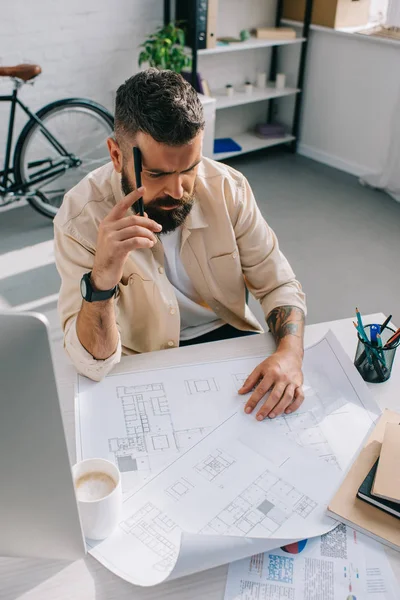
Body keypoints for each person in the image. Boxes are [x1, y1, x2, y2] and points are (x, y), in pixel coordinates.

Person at [54, 68, 306, 421]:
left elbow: (278, 283)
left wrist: (290, 352)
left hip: (227, 343)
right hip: (141, 362)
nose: (178, 190)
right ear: (116, 155)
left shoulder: (227, 188)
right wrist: (101, 280)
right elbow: (91, 363)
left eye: (189, 168)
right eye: (156, 174)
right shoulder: (79, 219)